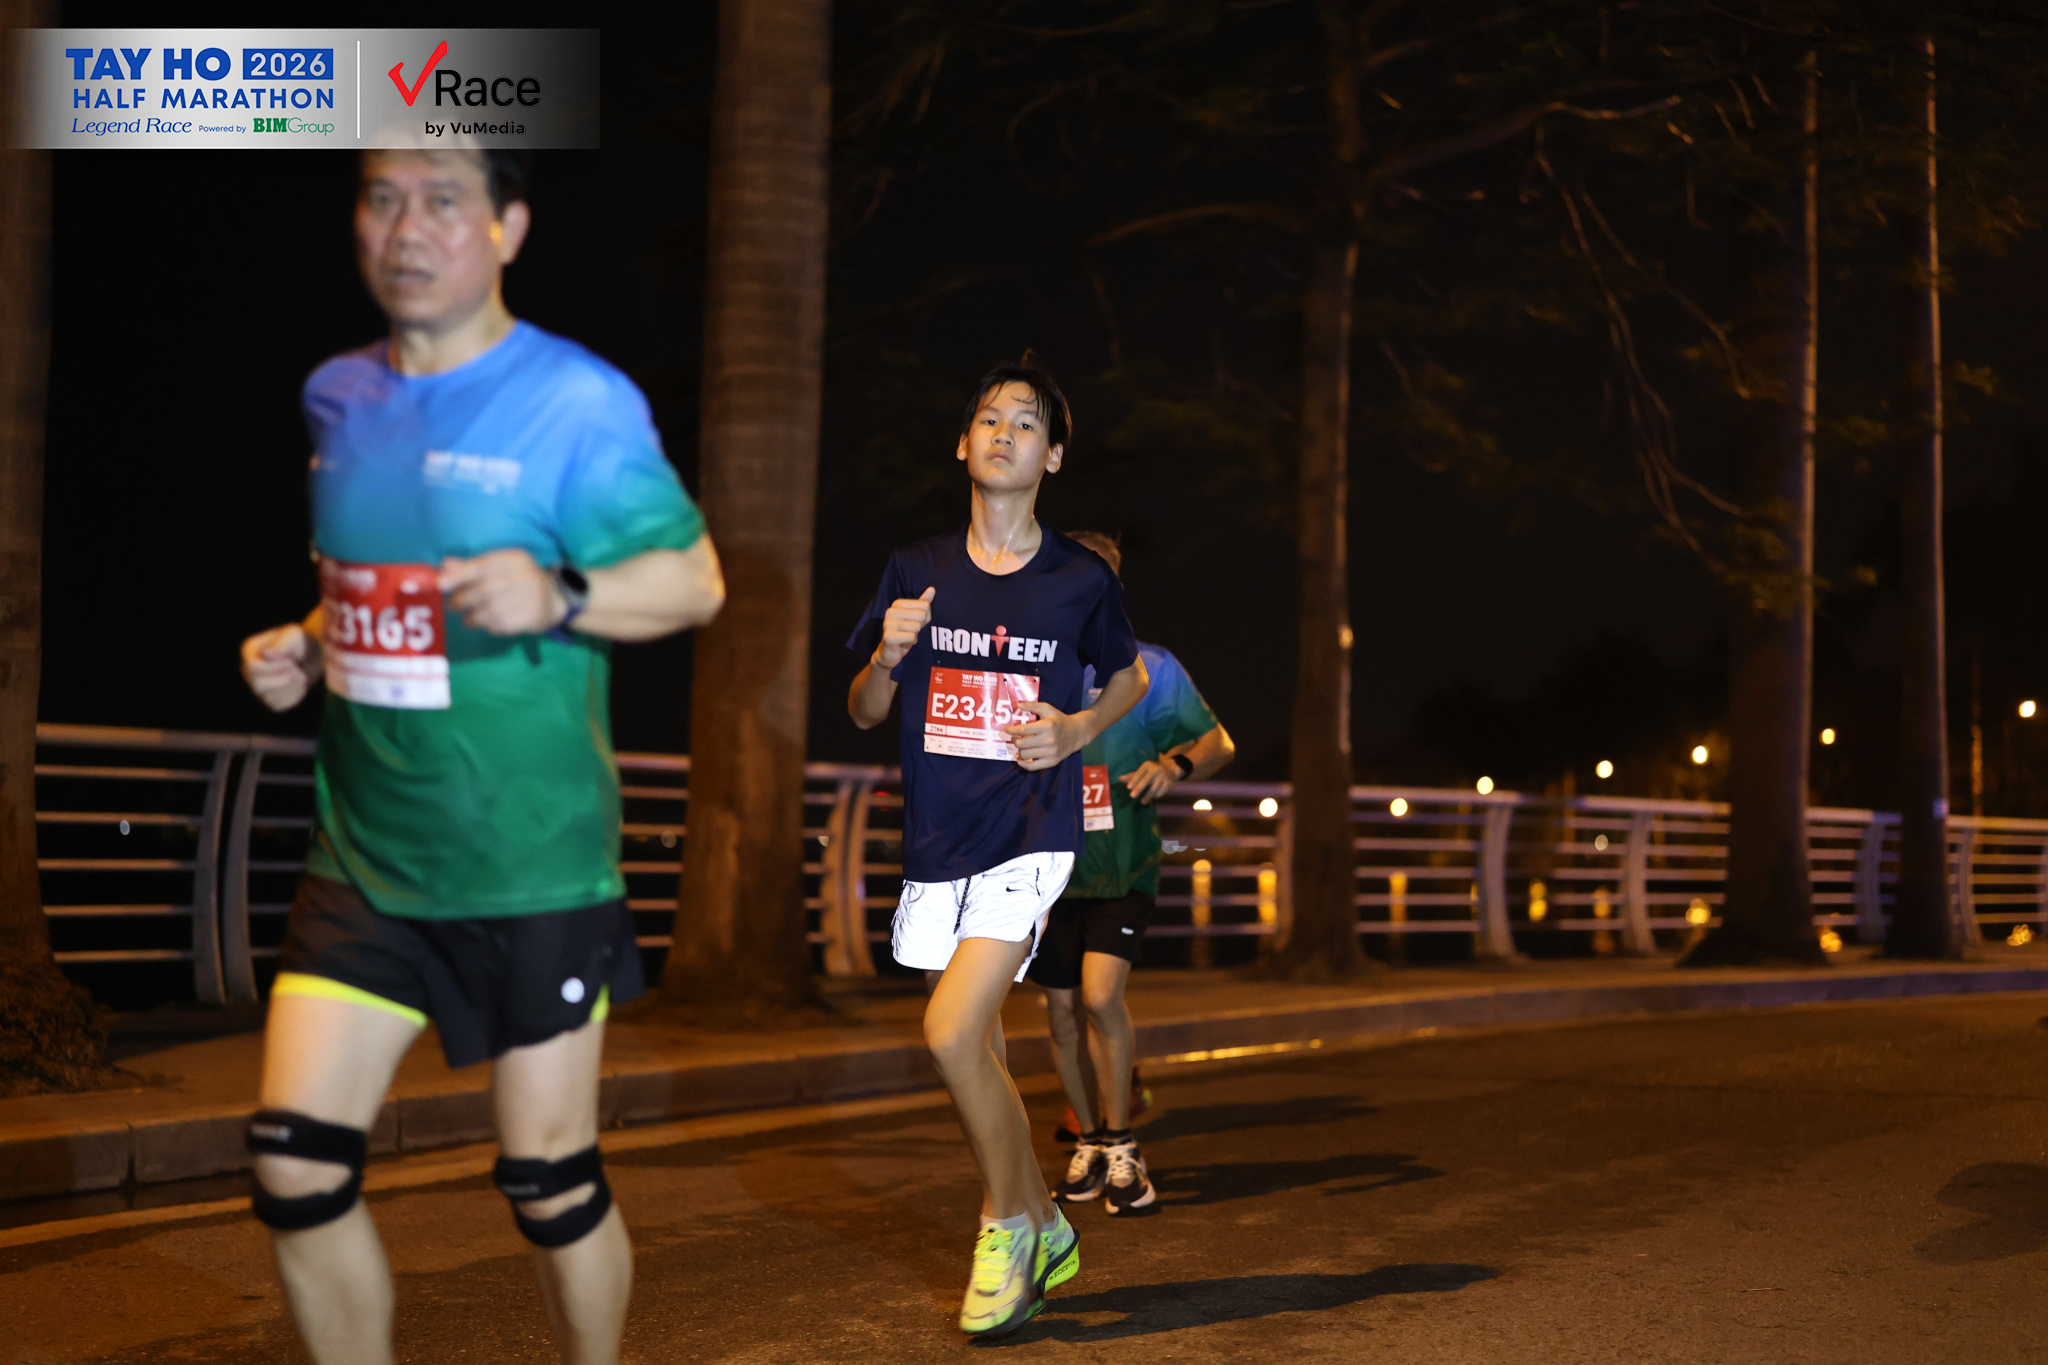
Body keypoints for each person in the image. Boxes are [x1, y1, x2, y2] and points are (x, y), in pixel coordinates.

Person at [237, 147, 724, 1365]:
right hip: (364, 856)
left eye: (444, 200)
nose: (407, 228)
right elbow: (378, 585)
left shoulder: (576, 401)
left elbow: (694, 581)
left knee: (547, 1181)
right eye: (383, 198)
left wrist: (561, 592)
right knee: (294, 1164)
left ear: (507, 227)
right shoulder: (338, 395)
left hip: (531, 862)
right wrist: (306, 645)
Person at [847, 357, 1148, 1338]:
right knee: (974, 1044)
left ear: (1051, 455)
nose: (1005, 432)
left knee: (947, 1032)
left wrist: (1075, 730)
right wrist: (888, 655)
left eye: (1027, 422)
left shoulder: (1079, 579)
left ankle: (1005, 1229)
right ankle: (1046, 1223)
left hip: (1030, 835)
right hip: (939, 838)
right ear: (962, 443)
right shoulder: (916, 568)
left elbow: (1130, 679)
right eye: (989, 418)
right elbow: (863, 710)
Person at [1029, 532, 1234, 1215]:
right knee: (1060, 1013)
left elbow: (1217, 742)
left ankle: (1122, 1144)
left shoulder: (1149, 669)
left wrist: (1173, 765)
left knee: (1098, 995)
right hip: (1046, 870)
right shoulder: (1031, 663)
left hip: (1124, 868)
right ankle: (1089, 1141)